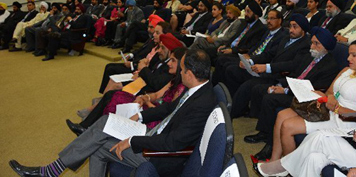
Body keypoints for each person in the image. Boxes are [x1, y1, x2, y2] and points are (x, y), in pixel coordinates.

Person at [9, 49, 217, 177]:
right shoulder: (198, 89)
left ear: (190, 74)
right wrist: (142, 116)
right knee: (106, 124)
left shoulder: (202, 102)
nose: (179, 73)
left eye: (182, 70)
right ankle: (52, 171)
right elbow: (170, 109)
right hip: (155, 134)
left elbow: (172, 144)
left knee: (98, 145)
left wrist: (133, 141)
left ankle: (52, 171)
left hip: (162, 156)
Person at [262, 39, 356, 165]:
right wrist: (328, 97)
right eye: (349, 54)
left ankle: (287, 168)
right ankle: (275, 161)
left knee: (288, 126)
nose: (349, 58)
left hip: (344, 122)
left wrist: (335, 108)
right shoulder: (346, 70)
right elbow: (329, 92)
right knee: (282, 115)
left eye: (354, 55)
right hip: (328, 110)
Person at [247, 27, 340, 161]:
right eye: (312, 42)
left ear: (326, 46)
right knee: (262, 89)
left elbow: (313, 89)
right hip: (293, 89)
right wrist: (280, 85)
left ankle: (269, 144)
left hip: (306, 98)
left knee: (270, 99)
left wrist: (284, 91)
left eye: (316, 44)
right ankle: (264, 132)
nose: (312, 46)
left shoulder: (330, 66)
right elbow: (295, 76)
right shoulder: (309, 56)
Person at [231, 13, 312, 119]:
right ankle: (235, 109)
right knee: (236, 72)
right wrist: (250, 61)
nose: (291, 30)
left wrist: (267, 67)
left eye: (295, 26)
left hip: (282, 77)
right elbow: (269, 54)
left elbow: (293, 65)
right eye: (290, 26)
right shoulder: (286, 38)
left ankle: (235, 114)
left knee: (249, 86)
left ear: (303, 29)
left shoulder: (305, 45)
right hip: (270, 72)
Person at [213, 9, 287, 96]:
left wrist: (251, 59)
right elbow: (257, 46)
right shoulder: (267, 31)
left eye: (272, 19)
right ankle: (219, 91)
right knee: (224, 62)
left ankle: (230, 96)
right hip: (252, 58)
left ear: (280, 20)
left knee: (230, 69)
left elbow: (269, 55)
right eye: (268, 19)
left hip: (260, 65)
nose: (269, 21)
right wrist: (248, 54)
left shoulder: (283, 36)